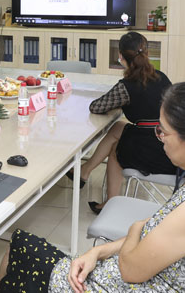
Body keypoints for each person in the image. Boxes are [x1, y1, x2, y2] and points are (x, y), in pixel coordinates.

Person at [0, 81, 185, 293]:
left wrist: (138, 227)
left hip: (116, 285)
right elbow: (156, 236)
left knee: (19, 246)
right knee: (23, 250)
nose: (160, 139)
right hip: (125, 277)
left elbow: (130, 269)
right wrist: (98, 252)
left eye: (163, 133)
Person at [69, 31, 174, 214]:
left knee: (118, 150)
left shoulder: (127, 85)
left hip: (155, 152)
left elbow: (96, 107)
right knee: (118, 127)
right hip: (167, 140)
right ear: (146, 53)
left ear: (121, 57)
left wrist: (121, 103)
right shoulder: (162, 77)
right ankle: (85, 171)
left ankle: (110, 203)